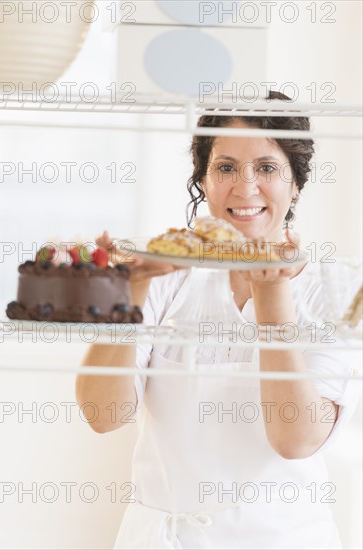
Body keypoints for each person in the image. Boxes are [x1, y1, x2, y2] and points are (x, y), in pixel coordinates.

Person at [76, 92, 361, 549]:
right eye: (225, 167)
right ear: (204, 181)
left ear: (296, 184)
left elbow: (295, 437)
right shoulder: (162, 276)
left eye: (266, 168)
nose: (245, 187)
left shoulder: (338, 291)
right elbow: (104, 416)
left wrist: (271, 295)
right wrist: (128, 295)